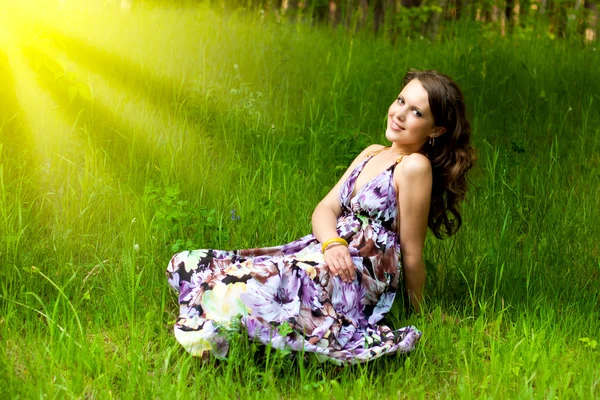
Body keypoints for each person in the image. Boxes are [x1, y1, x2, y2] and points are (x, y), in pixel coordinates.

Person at [165, 69, 475, 365]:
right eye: (400, 100)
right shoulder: (372, 152)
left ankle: (230, 325)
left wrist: (416, 309)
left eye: (417, 113)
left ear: (436, 130)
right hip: (327, 249)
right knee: (189, 263)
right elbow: (325, 209)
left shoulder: (414, 166)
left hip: (356, 271)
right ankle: (228, 311)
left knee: (249, 290)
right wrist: (331, 242)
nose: (400, 113)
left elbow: (411, 250)